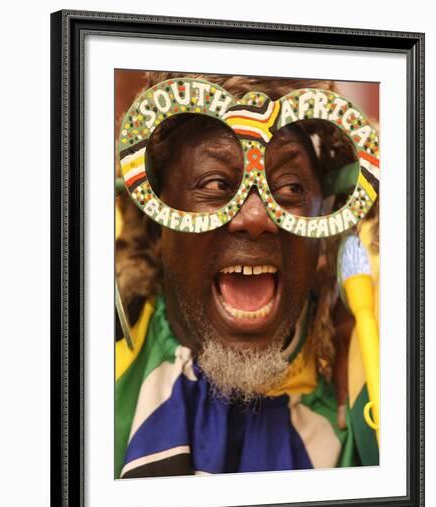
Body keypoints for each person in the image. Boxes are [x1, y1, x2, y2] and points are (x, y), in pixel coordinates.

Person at [114, 72, 379, 478]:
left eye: (290, 189)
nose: (257, 218)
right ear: (155, 226)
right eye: (216, 183)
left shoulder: (377, 351)